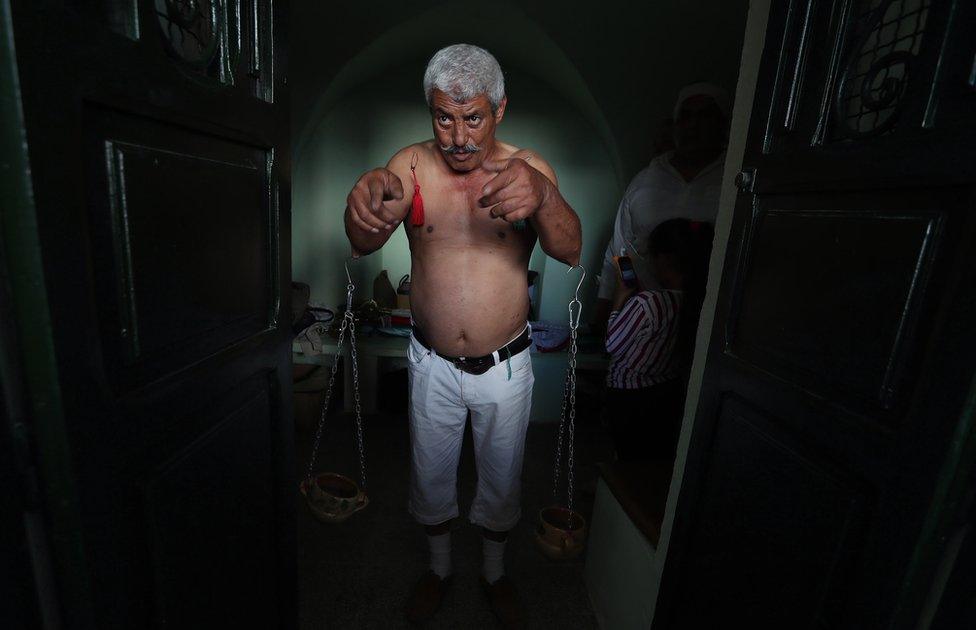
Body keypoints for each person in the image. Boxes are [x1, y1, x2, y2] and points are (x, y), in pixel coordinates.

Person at [342, 44, 581, 628]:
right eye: (443, 118)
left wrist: (545, 196)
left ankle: (495, 575)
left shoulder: (530, 168)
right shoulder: (411, 164)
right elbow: (364, 240)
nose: (457, 136)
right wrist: (360, 202)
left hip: (506, 366)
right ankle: (441, 569)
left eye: (472, 117)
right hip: (432, 363)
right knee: (430, 477)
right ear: (430, 111)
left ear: (500, 109)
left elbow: (570, 249)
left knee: (501, 480)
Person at [593, 82, 729, 335]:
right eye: (686, 116)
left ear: (722, 124)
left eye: (705, 116)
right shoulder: (645, 182)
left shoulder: (731, 182)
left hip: (707, 322)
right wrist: (609, 308)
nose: (694, 125)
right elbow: (621, 251)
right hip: (645, 320)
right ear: (676, 125)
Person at [604, 218, 714, 462]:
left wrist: (620, 297)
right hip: (666, 391)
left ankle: (615, 491)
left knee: (627, 452)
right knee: (648, 452)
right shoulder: (699, 303)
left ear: (663, 259)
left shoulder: (647, 303)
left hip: (629, 396)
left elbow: (612, 344)